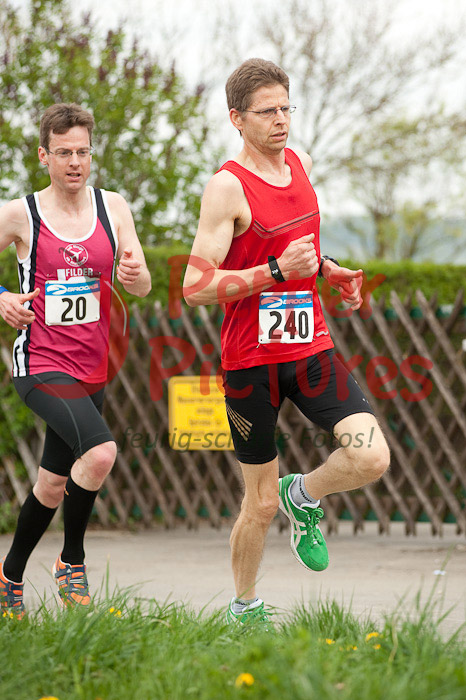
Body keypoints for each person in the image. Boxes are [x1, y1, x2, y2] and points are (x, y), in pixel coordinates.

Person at [183, 59, 390, 625]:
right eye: (266, 112)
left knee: (371, 456)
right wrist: (274, 272)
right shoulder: (227, 187)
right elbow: (195, 286)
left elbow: (301, 252)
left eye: (285, 108)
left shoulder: (302, 164)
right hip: (251, 364)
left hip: (311, 351)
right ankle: (244, 608)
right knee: (260, 503)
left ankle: (306, 495)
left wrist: (328, 269)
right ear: (237, 119)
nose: (280, 120)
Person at [0, 103, 151, 617]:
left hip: (92, 369)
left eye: (83, 152)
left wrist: (135, 276)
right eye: (63, 153)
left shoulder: (114, 207)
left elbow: (142, 282)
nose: (75, 162)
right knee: (102, 453)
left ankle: (8, 576)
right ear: (44, 155)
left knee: (51, 483)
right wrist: (3, 297)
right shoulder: (21, 214)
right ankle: (72, 562)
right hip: (40, 363)